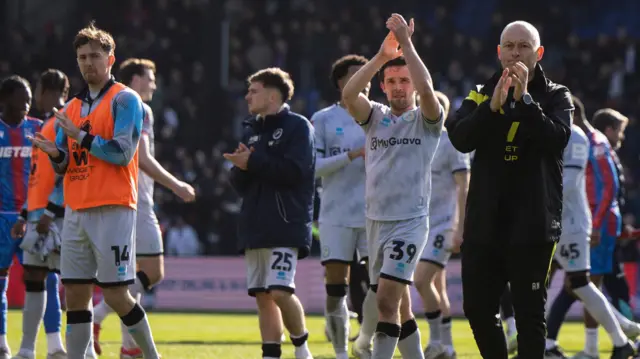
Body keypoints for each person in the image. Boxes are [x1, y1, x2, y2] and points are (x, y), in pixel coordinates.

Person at [29, 22, 160, 359]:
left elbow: (122, 153)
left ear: (110, 58)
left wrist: (80, 137)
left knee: (116, 294)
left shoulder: (125, 100)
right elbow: (64, 166)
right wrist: (55, 153)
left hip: (113, 207)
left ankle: (151, 355)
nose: (88, 63)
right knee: (75, 293)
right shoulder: (71, 108)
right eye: (82, 57)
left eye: (95, 56)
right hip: (76, 209)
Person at [445, 21, 573, 359]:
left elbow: (557, 139)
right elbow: (459, 137)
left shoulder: (557, 95)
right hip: (485, 222)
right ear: (499, 52)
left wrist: (526, 101)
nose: (515, 53)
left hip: (532, 224)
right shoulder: (480, 92)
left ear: (538, 52)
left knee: (529, 315)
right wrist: (490, 108)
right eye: (509, 46)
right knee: (475, 308)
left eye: (524, 46)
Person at [342, 14, 444, 359]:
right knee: (398, 307)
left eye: (404, 80)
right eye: (392, 81)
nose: (399, 86)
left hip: (409, 221)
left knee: (385, 300)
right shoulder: (375, 117)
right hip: (375, 221)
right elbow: (349, 93)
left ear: (412, 84)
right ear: (383, 87)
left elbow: (428, 90)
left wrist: (407, 44)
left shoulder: (426, 121)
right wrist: (382, 57)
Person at [92, 58, 196, 358]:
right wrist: (177, 185)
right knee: (153, 271)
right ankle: (100, 317)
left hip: (119, 200)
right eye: (150, 78)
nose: (154, 83)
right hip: (136, 202)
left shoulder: (112, 104)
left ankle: (129, 347)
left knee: (130, 277)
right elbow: (144, 159)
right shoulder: (138, 106)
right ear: (136, 79)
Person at [225, 67, 315, 359]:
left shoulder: (298, 127)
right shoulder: (251, 130)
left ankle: (301, 346)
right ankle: (270, 354)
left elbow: (294, 172)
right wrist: (239, 168)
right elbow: (244, 183)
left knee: (279, 291)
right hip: (255, 224)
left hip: (286, 222)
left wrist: (252, 162)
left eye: (254, 90)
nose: (247, 95)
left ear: (273, 94)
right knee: (263, 296)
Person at [544, 102, 639, 359]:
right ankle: (621, 335)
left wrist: (598, 224)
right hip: (583, 220)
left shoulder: (589, 142)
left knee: (579, 284)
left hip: (583, 222)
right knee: (578, 284)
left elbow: (607, 187)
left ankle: (602, 343)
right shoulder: (590, 141)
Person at [311, 54, 372, 359]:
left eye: (369, 75)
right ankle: (339, 354)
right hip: (335, 215)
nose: (366, 81)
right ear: (341, 82)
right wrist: (350, 156)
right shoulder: (323, 119)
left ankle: (366, 342)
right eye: (358, 75)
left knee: (380, 284)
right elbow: (313, 168)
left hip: (375, 214)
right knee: (336, 287)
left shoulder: (382, 114)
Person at [10, 69, 70, 359]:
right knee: (34, 279)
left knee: (63, 279)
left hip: (53, 217)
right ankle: (27, 349)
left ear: (47, 92)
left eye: (38, 91)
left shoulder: (61, 125)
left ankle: (68, 348)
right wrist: (24, 215)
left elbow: (67, 171)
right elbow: (36, 176)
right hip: (35, 216)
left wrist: (50, 210)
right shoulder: (43, 128)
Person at [414, 90, 469, 359]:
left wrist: (459, 228)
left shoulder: (451, 143)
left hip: (444, 224)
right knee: (437, 286)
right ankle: (448, 347)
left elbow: (463, 187)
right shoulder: (417, 141)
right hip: (420, 224)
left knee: (421, 280)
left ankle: (435, 341)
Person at [0, 75, 43, 359]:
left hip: (33, 218)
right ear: (5, 100)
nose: (27, 104)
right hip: (2, 217)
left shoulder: (38, 129)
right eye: (22, 98)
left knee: (38, 280)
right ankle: (2, 342)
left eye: (30, 98)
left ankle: (34, 346)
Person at [593, 109, 635, 320]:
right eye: (620, 131)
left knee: (580, 288)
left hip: (606, 228)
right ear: (608, 130)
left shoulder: (605, 154)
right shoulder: (599, 155)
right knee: (583, 287)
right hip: (600, 230)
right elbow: (606, 192)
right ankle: (631, 338)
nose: (622, 136)